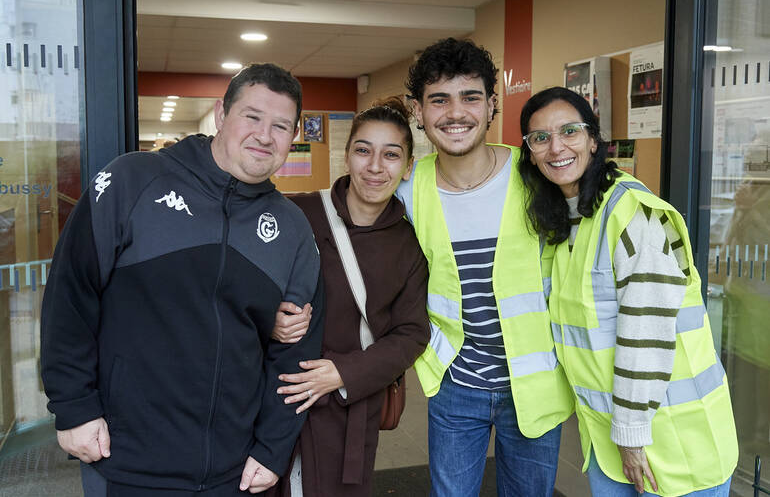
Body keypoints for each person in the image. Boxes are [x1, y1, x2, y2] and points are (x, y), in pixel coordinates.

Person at [40, 63, 324, 496]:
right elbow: (70, 296)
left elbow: (294, 357)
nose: (265, 135)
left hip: (233, 471)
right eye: (252, 117)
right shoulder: (131, 181)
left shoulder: (292, 229)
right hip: (122, 459)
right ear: (220, 114)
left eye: (281, 126)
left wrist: (272, 448)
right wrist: (74, 407)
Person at [518, 86, 738, 496]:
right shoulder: (570, 222)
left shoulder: (631, 214)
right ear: (530, 152)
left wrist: (632, 436)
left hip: (669, 438)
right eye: (540, 138)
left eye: (569, 131)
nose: (556, 147)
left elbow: (647, 335)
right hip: (613, 439)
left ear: (593, 139)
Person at [396, 37, 574, 497]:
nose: (456, 113)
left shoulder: (537, 174)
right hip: (455, 384)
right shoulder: (407, 189)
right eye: (439, 99)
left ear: (492, 104)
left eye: (470, 97)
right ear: (418, 110)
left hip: (533, 383)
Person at [265, 97, 430, 496]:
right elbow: (244, 292)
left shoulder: (411, 242)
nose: (375, 167)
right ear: (346, 156)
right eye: (363, 150)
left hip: (350, 405)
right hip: (277, 395)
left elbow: (411, 333)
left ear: (408, 166)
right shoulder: (295, 214)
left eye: (391, 155)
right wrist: (268, 319)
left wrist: (343, 374)